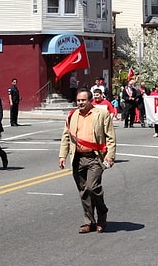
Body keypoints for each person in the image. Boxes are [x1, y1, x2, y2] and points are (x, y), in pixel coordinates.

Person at [58, 88, 116, 234]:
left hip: (95, 157)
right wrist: (62, 155)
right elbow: (66, 137)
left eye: (83, 100)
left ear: (90, 100)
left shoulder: (101, 114)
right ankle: (89, 221)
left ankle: (102, 215)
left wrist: (110, 155)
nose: (80, 103)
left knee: (92, 187)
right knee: (83, 191)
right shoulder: (72, 115)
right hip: (77, 158)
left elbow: (110, 137)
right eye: (78, 100)